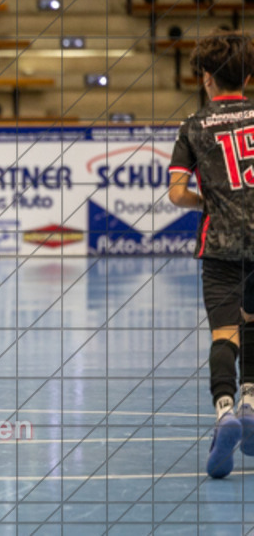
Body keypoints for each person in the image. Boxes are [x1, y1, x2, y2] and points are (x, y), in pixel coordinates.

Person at [168, 30, 254, 478]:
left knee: (226, 333)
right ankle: (252, 402)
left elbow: (177, 193)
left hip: (220, 245)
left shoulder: (193, 126)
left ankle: (225, 411)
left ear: (205, 78)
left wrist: (212, 201)